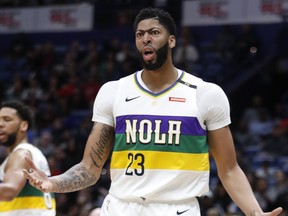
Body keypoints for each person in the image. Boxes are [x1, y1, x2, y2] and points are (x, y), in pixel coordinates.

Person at [23, 7, 283, 216]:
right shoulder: (114, 91)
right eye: (139, 34)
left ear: (171, 41)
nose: (145, 38)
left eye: (154, 32)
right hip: (120, 207)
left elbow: (228, 169)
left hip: (177, 208)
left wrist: (254, 212)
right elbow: (90, 168)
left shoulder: (205, 94)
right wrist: (53, 183)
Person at [0, 100, 56, 215]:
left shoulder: (21, 153)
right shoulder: (32, 152)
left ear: (24, 125)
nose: (0, 124)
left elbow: (9, 190)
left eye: (7, 119)